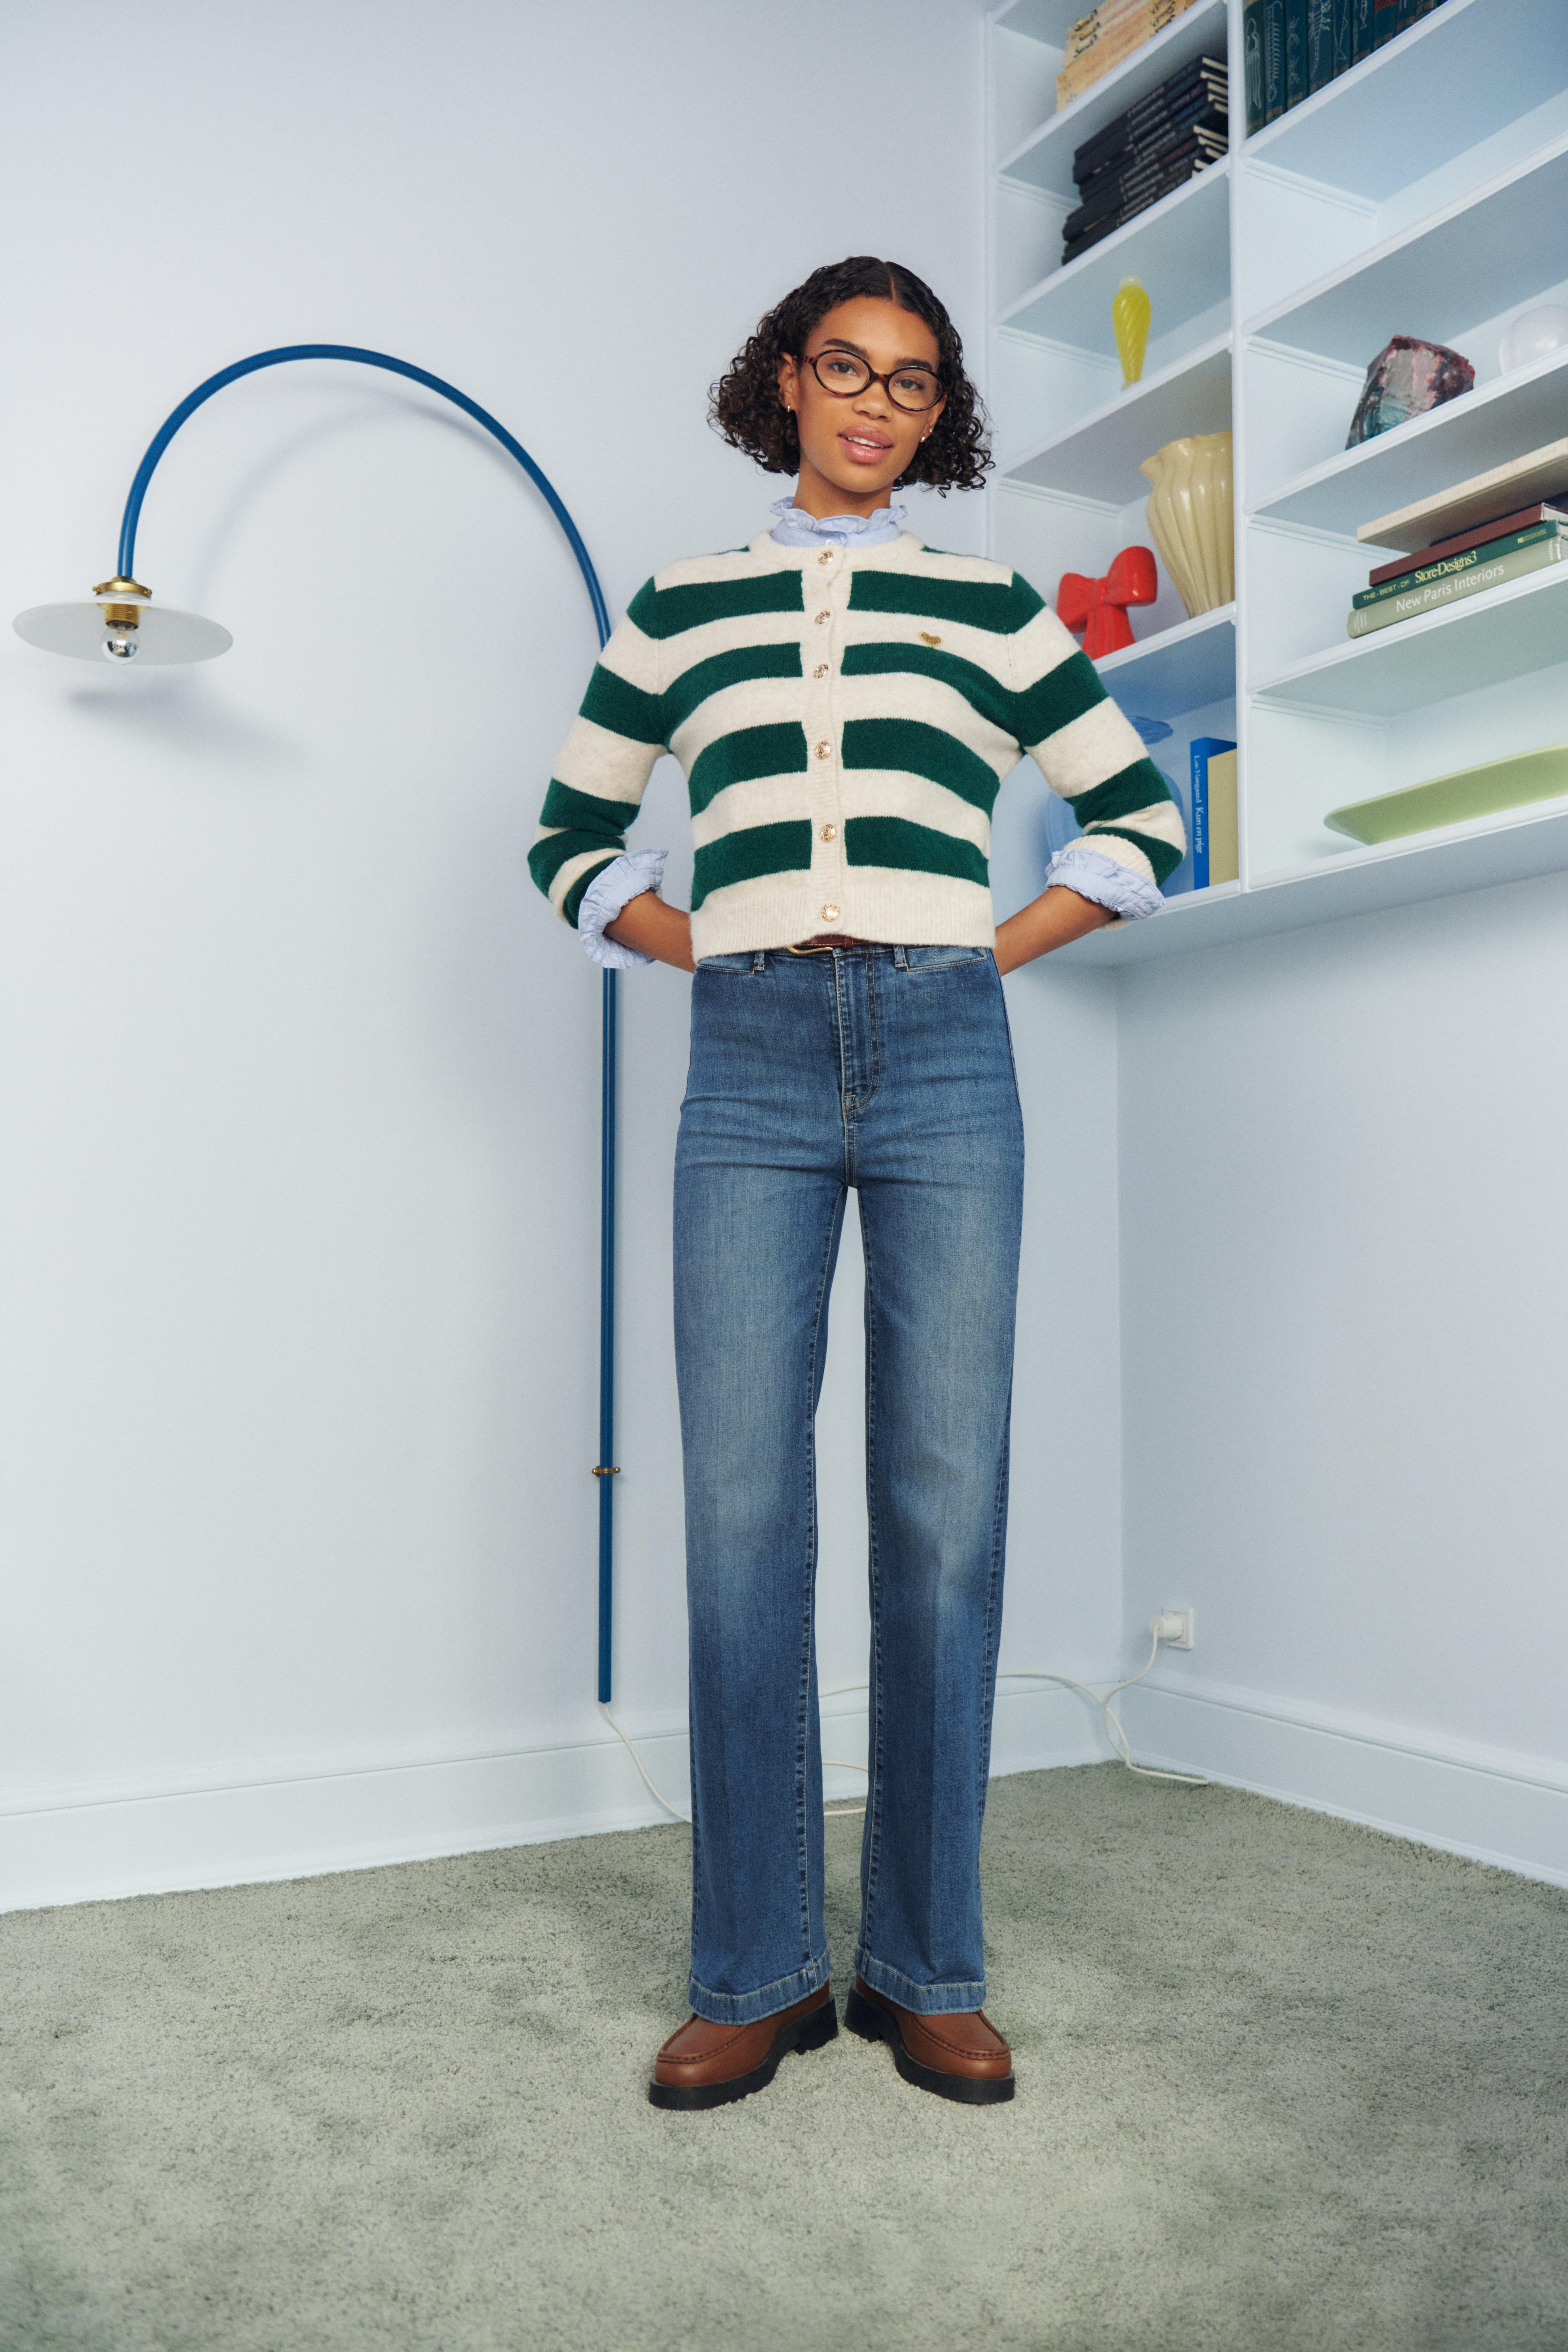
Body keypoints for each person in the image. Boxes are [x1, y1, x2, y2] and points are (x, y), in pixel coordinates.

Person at [530, 256, 1183, 2111]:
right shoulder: (676, 609)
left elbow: (1135, 820)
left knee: (942, 1516)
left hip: (944, 1053)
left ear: (936, 414)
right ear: (788, 382)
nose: (877, 403)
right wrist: (688, 941)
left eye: (912, 381)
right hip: (743, 1053)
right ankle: (753, 1969)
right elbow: (569, 835)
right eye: (847, 367)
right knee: (741, 1519)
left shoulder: (988, 611)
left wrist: (987, 950)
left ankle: (922, 1966)